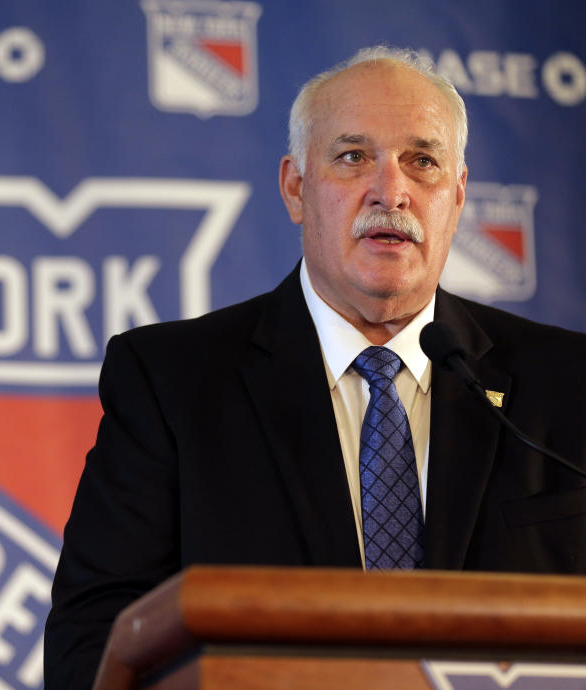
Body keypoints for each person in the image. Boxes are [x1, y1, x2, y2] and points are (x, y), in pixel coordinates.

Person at [44, 46, 586, 688]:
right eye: (354, 157)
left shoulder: (567, 383)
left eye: (423, 161)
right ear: (296, 188)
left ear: (458, 195)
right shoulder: (171, 381)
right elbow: (94, 644)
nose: (392, 191)